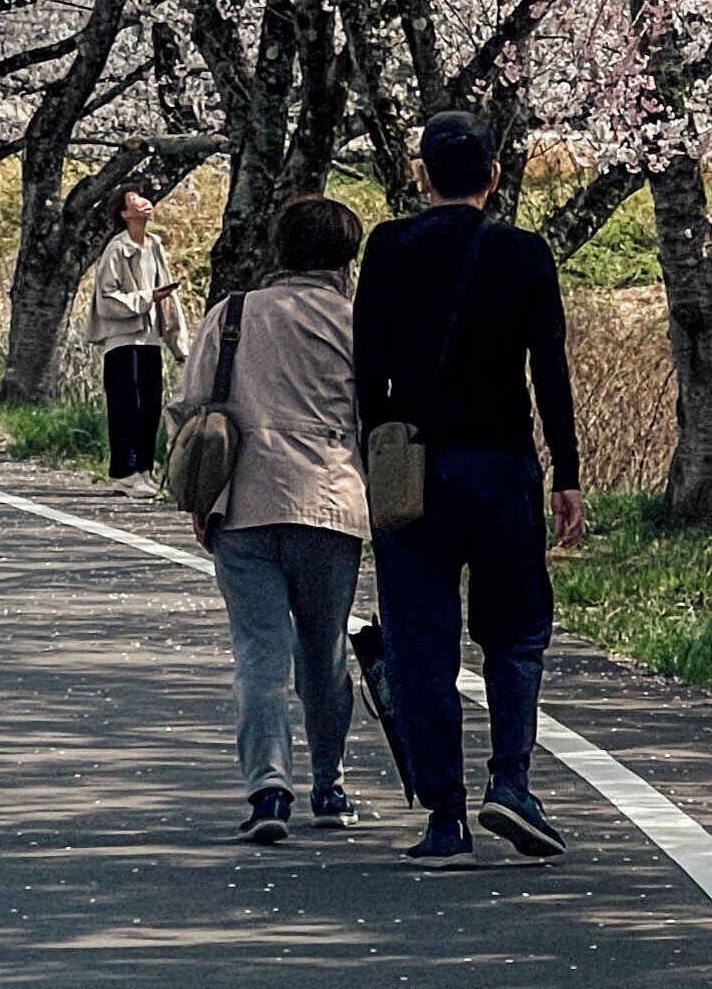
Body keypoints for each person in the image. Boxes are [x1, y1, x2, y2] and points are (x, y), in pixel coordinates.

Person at [353, 113, 584, 873]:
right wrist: (570, 475)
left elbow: (367, 366)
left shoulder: (388, 247)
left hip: (414, 466)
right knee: (515, 634)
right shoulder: (523, 252)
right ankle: (512, 783)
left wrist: (379, 450)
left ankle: (445, 818)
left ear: (423, 177)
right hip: (502, 464)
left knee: (421, 640)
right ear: (493, 175)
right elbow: (549, 368)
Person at [171, 190, 369, 845]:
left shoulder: (231, 315)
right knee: (325, 651)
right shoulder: (356, 322)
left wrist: (202, 499)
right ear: (346, 253)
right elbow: (374, 423)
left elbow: (190, 406)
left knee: (259, 653)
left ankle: (268, 789)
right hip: (329, 504)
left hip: (242, 506)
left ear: (277, 250)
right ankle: (330, 784)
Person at [87, 187, 190, 476]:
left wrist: (178, 346)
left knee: (150, 405)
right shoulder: (117, 248)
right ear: (124, 213)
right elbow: (105, 298)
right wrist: (146, 298)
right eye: (136, 201)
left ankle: (145, 470)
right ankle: (124, 472)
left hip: (151, 339)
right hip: (122, 338)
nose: (145, 204)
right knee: (126, 406)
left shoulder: (155, 245)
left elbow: (169, 300)